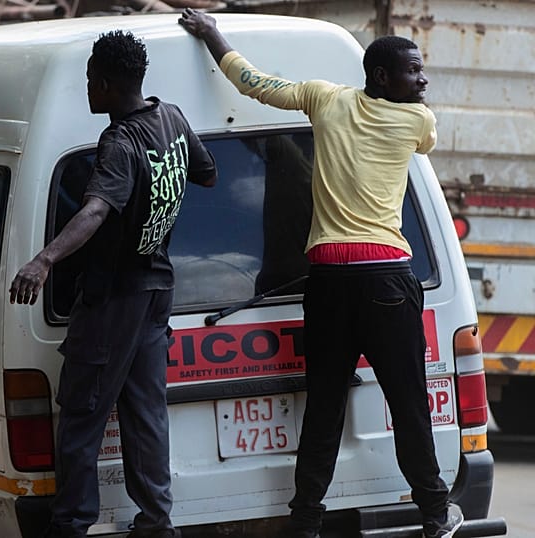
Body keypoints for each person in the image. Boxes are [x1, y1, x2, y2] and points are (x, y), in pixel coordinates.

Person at [178, 9, 464, 538]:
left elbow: (252, 82)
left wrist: (212, 34)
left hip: (328, 283)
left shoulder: (324, 99)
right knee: (407, 402)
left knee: (324, 406)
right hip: (386, 281)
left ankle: (306, 519)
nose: (423, 80)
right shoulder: (416, 122)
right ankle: (434, 514)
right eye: (414, 70)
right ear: (382, 77)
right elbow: (422, 143)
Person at [9, 30, 217, 538]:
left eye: (89, 81)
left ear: (103, 83)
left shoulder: (120, 141)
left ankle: (72, 525)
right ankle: (156, 524)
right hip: (155, 291)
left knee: (81, 418)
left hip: (115, 300)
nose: (87, 89)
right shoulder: (170, 116)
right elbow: (207, 173)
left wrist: (43, 260)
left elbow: (96, 209)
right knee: (146, 415)